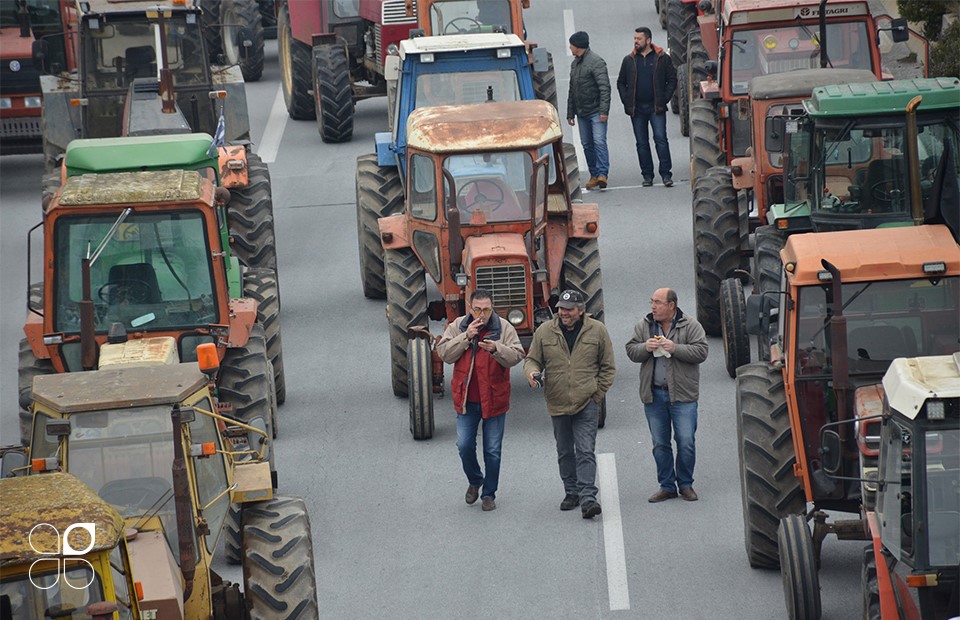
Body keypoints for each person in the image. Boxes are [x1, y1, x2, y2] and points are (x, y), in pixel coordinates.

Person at [524, 290, 616, 519]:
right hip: (557, 402)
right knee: (565, 452)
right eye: (561, 309)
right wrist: (532, 372)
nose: (564, 313)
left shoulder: (597, 331)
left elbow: (608, 367)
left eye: (569, 309)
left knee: (585, 450)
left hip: (587, 402)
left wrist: (597, 393)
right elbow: (532, 359)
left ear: (581, 310)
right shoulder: (545, 332)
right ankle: (571, 492)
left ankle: (588, 498)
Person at [437, 289, 524, 512]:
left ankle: (488, 494)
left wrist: (497, 349)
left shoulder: (504, 327)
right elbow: (444, 354)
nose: (482, 315)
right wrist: (466, 337)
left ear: (492, 308)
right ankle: (475, 479)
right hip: (467, 400)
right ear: (470, 308)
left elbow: (517, 355)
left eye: (486, 310)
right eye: (477, 309)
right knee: (464, 445)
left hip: (494, 399)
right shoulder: (457, 326)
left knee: (492, 450)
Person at [625, 288, 708, 502]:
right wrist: (646, 346)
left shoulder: (690, 325)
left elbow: (702, 352)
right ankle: (667, 486)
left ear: (671, 305)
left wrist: (675, 348)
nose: (653, 306)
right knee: (660, 444)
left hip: (683, 396)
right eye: (651, 301)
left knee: (686, 441)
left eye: (658, 302)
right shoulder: (644, 325)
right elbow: (631, 350)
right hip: (654, 395)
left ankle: (686, 484)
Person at [616, 27, 677, 188]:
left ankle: (666, 174)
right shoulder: (629, 60)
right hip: (637, 109)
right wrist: (626, 101)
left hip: (656, 107)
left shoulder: (662, 58)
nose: (636, 41)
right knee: (641, 143)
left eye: (639, 39)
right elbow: (621, 82)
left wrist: (664, 99)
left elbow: (672, 80)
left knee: (661, 140)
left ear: (648, 40)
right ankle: (647, 175)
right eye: (635, 38)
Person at [567, 31, 611, 191]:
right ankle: (594, 175)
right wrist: (570, 113)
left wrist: (604, 111)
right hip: (581, 112)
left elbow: (605, 88)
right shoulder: (575, 64)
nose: (569, 47)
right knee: (587, 144)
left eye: (571, 44)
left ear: (578, 46)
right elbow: (572, 90)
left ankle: (602, 175)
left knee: (599, 142)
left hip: (596, 111)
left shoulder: (596, 62)